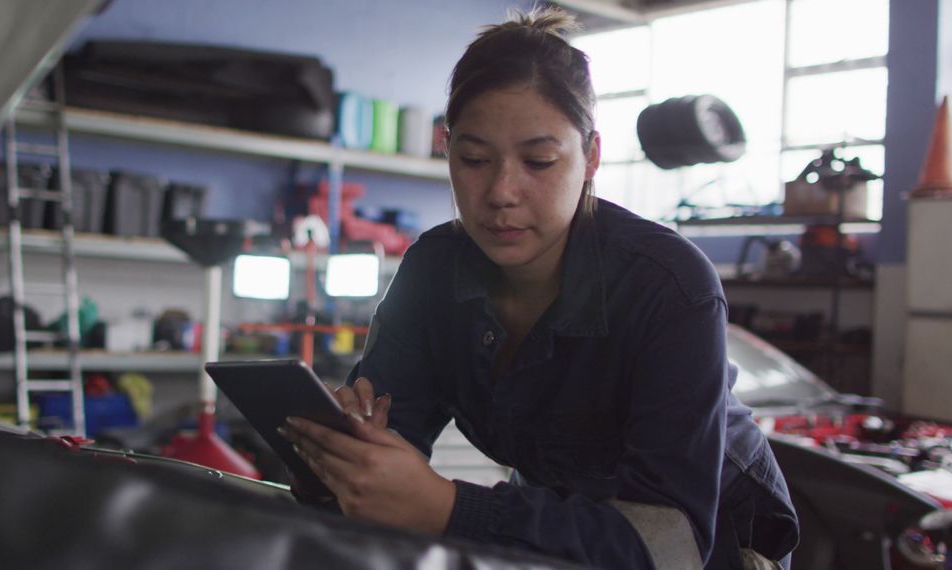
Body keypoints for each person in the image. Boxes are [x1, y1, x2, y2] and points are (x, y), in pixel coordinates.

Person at [279, 7, 799, 569]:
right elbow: (384, 436)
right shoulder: (435, 269)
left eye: (539, 160)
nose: (502, 191)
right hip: (563, 533)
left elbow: (668, 543)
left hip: (716, 545)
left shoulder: (667, 285)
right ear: (447, 150)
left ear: (591, 157)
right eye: (474, 159)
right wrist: (339, 452)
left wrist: (450, 508)